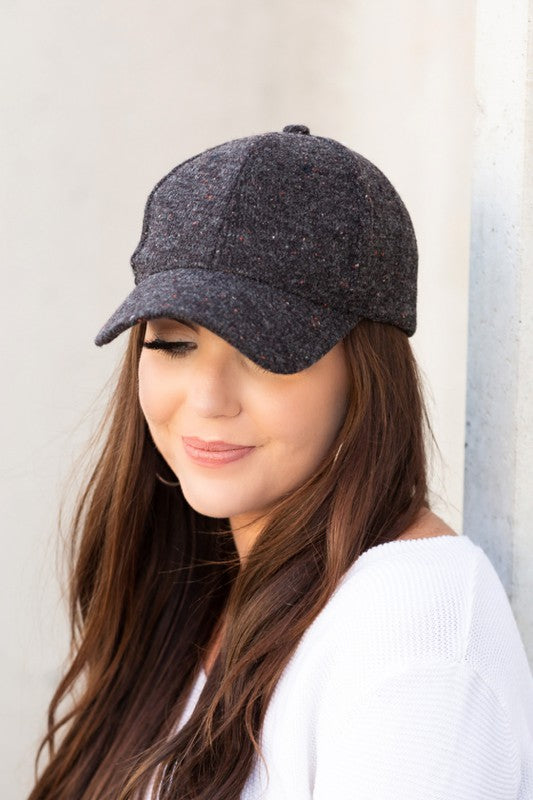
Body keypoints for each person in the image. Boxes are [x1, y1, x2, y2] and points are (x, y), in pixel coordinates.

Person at [28, 124, 533, 800]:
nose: (207, 400)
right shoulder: (198, 594)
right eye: (173, 344)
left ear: (365, 374)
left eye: (263, 352)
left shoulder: (416, 630)